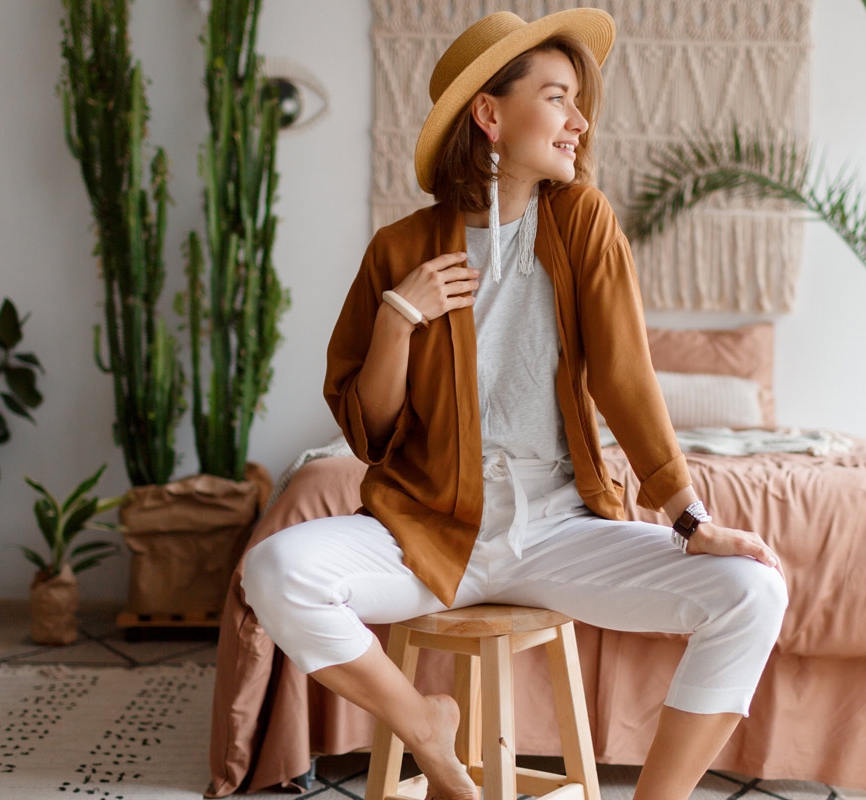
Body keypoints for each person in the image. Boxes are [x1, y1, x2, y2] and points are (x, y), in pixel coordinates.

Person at [241, 9, 787, 800]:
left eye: (577, 101)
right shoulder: (400, 248)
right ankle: (422, 722)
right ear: (490, 115)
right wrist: (400, 315)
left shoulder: (580, 222)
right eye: (558, 98)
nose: (579, 121)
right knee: (274, 566)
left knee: (753, 590)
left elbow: (626, 380)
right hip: (428, 530)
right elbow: (371, 432)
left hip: (560, 529)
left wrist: (689, 520)